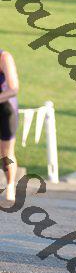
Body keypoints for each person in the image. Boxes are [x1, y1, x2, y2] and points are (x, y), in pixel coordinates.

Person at [0, 46, 19, 203]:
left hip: (5, 108)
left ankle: (10, 184)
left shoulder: (4, 57)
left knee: (6, 152)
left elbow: (13, 89)